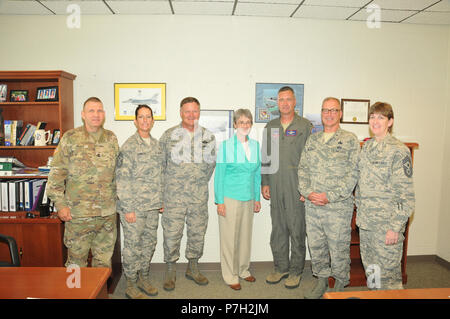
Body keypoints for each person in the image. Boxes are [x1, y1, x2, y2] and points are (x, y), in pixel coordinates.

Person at [298, 97, 359, 298]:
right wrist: (307, 192)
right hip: (313, 206)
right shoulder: (313, 139)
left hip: (337, 208)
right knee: (316, 246)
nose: (329, 114)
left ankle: (340, 283)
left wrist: (329, 197)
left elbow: (353, 174)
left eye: (334, 110)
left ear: (340, 114)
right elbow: (303, 169)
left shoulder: (350, 140)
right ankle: (322, 281)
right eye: (325, 110)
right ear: (322, 113)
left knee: (338, 247)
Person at [47, 96, 119, 269]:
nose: (96, 114)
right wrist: (60, 205)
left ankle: (99, 295)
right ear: (83, 115)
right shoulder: (70, 138)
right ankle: (74, 295)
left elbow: (116, 174)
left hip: (106, 214)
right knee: (75, 263)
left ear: (104, 114)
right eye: (91, 110)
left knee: (103, 262)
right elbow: (56, 174)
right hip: (78, 214)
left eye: (99, 110)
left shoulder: (111, 138)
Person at [356, 102, 415, 290]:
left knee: (389, 280)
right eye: (372, 117)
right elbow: (361, 186)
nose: (375, 121)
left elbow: (405, 196)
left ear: (390, 122)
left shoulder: (399, 150)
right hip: (366, 226)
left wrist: (395, 228)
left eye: (380, 117)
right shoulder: (366, 147)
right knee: (372, 274)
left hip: (386, 228)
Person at [159, 97, 216, 291]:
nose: (191, 115)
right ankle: (170, 269)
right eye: (187, 111)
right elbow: (161, 167)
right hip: (173, 197)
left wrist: (197, 182)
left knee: (197, 233)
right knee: (171, 234)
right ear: (180, 112)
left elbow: (210, 165)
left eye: (195, 111)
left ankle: (193, 267)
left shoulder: (208, 137)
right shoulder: (169, 136)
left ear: (199, 112)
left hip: (198, 196)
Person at [261, 86, 313, 289]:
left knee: (297, 229)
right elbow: (266, 156)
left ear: (295, 102)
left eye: (288, 99)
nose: (284, 103)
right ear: (277, 103)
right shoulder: (271, 126)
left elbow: (311, 160)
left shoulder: (305, 126)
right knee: (278, 229)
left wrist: (306, 189)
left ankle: (295, 271)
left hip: (296, 187)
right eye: (280, 99)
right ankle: (280, 267)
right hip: (275, 185)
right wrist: (265, 183)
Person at [115, 105, 163, 299]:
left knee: (149, 243)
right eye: (141, 117)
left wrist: (161, 199)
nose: (145, 120)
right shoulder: (128, 146)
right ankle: (131, 284)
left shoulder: (157, 145)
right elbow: (122, 180)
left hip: (152, 205)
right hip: (133, 207)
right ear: (135, 121)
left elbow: (160, 175)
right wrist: (128, 208)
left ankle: (144, 277)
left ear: (152, 121)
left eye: (148, 117)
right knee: (133, 246)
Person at [214, 109, 261, 291]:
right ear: (235, 125)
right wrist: (220, 201)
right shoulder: (226, 146)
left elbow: (257, 174)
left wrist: (257, 198)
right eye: (241, 122)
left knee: (245, 237)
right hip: (230, 197)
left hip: (249, 197)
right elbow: (219, 175)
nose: (245, 125)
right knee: (229, 238)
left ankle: (243, 269)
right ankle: (230, 274)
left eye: (248, 122)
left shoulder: (256, 146)